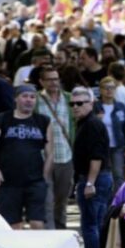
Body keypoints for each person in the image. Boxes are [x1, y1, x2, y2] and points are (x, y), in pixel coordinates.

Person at [0, 85, 53, 230]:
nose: (29, 100)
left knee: (37, 223)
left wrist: (45, 176)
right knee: (13, 225)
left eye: (32, 97)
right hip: (8, 182)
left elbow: (50, 152)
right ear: (16, 98)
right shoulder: (1, 120)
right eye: (25, 96)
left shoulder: (43, 121)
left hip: (35, 181)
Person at [71, 86, 113, 248]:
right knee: (95, 224)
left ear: (91, 103)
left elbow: (96, 157)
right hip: (95, 178)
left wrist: (89, 182)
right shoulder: (84, 123)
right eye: (73, 103)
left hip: (95, 178)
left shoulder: (92, 125)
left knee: (91, 225)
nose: (76, 107)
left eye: (80, 103)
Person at [36, 66, 75, 229]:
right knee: (47, 199)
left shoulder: (69, 98)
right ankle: (50, 233)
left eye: (56, 79)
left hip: (66, 156)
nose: (53, 82)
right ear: (41, 81)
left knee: (62, 199)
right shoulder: (36, 100)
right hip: (43, 158)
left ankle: (61, 227)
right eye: (49, 79)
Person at [94, 76, 125, 190]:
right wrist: (96, 120)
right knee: (102, 174)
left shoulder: (121, 107)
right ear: (100, 90)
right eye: (106, 88)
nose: (109, 90)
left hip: (118, 146)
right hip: (101, 147)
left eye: (112, 87)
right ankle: (104, 199)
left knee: (118, 175)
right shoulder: (95, 107)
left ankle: (117, 203)